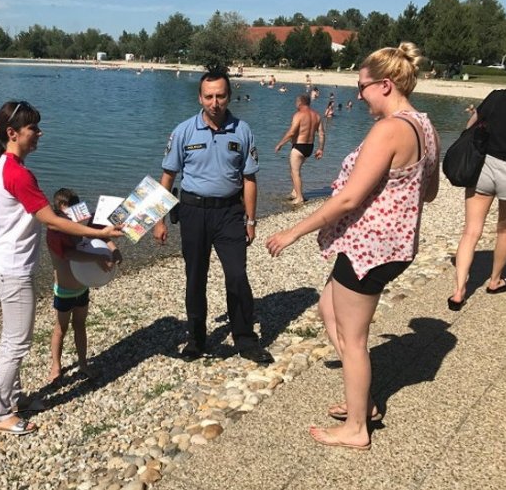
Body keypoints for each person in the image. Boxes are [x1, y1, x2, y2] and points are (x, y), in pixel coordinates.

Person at [265, 42, 441, 450]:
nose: (357, 96)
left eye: (361, 87)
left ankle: (359, 425)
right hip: (390, 243)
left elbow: (347, 198)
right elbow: (429, 192)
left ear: (384, 84)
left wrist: (293, 232)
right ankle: (360, 400)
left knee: (354, 339)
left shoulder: (390, 129)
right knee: (329, 308)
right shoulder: (425, 125)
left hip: (372, 249)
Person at [0, 100, 123, 435]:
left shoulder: (7, 165)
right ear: (12, 133)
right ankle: (0, 412)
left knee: (16, 339)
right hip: (12, 269)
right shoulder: (17, 172)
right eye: (33, 127)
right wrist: (98, 232)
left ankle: (15, 398)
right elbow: (51, 221)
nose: (39, 133)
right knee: (16, 343)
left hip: (6, 265)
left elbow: (50, 218)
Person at [153, 71, 273, 364]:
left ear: (229, 96)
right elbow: (168, 176)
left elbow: (249, 179)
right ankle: (196, 339)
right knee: (195, 278)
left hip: (231, 213)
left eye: (220, 95)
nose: (215, 102)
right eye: (209, 96)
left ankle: (245, 339)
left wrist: (251, 219)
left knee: (237, 275)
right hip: (193, 212)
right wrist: (158, 219)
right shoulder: (183, 131)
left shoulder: (242, 130)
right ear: (200, 97)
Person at [448, 55, 506, 310]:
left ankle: (459, 291)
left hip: (485, 166)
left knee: (471, 230)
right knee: (505, 230)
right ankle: (494, 280)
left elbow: (471, 125)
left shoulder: (497, 96)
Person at [47, 188, 122, 382]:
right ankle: (56, 365)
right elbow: (69, 254)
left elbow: (100, 235)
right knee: (61, 328)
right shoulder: (55, 231)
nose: (73, 215)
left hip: (82, 286)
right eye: (68, 210)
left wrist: (113, 249)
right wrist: (97, 258)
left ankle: (83, 364)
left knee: (80, 325)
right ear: (60, 209)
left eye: (75, 209)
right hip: (64, 290)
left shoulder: (79, 226)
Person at [274, 94, 326, 204]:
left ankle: (299, 198)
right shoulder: (317, 115)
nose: (295, 104)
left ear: (300, 103)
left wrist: (280, 144)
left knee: (295, 171)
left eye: (296, 102)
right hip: (309, 147)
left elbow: (291, 132)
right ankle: (294, 191)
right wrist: (320, 149)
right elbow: (321, 133)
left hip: (299, 146)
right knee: (294, 169)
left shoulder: (299, 115)